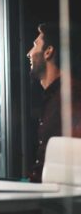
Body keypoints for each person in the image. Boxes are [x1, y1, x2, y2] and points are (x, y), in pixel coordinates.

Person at [26, 22, 81, 182]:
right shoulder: (56, 96)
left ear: (48, 51)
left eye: (35, 45)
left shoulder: (70, 96)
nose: (29, 53)